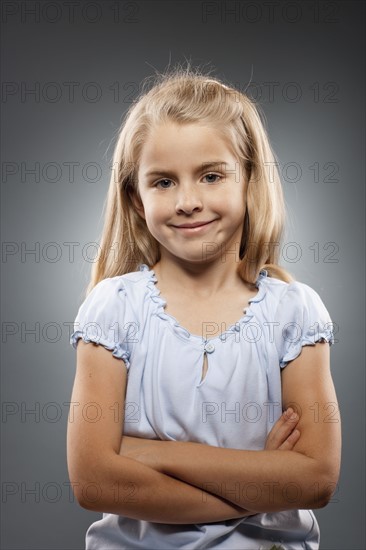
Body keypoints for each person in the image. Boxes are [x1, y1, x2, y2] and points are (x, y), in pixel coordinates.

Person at [67, 64, 341, 549]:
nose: (188, 200)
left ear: (250, 180)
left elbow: (314, 480)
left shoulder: (294, 312)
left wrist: (148, 455)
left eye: (211, 175)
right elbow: (95, 482)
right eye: (163, 182)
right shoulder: (113, 308)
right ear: (135, 199)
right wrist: (263, 482)